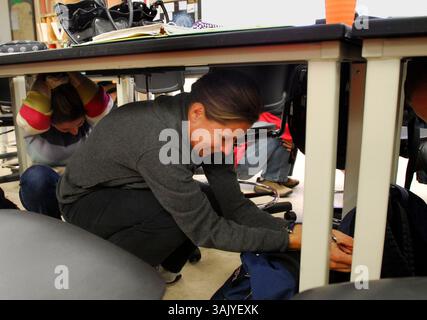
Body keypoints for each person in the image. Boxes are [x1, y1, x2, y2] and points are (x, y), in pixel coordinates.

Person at [57, 70, 353, 284]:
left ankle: (166, 270)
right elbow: (205, 231)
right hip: (85, 200)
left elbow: (233, 205)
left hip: (131, 186)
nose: (227, 150)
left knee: (210, 199)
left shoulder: (205, 120)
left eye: (234, 140)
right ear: (197, 112)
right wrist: (291, 241)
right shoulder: (160, 140)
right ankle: (110, 274)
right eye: (224, 139)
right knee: (179, 218)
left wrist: (306, 232)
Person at [17, 72, 114, 219]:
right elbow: (35, 118)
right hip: (48, 189)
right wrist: (43, 80)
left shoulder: (90, 117)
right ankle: (51, 228)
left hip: (82, 186)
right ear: (50, 122)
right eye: (66, 129)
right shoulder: (35, 126)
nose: (75, 132)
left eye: (80, 124)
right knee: (35, 178)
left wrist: (72, 74)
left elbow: (99, 106)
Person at [235, 111, 299, 197]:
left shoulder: (269, 113)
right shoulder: (268, 115)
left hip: (239, 164)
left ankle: (279, 177)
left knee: (288, 139)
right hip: (238, 167)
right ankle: (272, 179)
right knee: (281, 136)